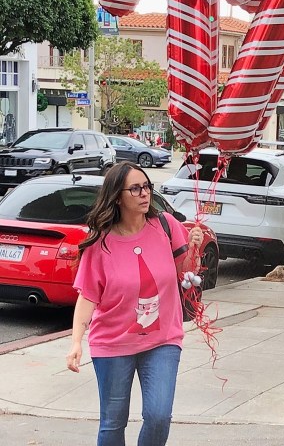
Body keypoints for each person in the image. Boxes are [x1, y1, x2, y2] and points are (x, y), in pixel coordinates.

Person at [66, 161, 203, 446]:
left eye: (147, 186)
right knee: (113, 422)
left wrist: (193, 247)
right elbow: (88, 295)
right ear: (118, 196)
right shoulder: (100, 244)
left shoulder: (165, 225)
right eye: (136, 188)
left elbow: (186, 271)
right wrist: (76, 342)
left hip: (163, 339)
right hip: (113, 343)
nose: (145, 193)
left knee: (159, 416)